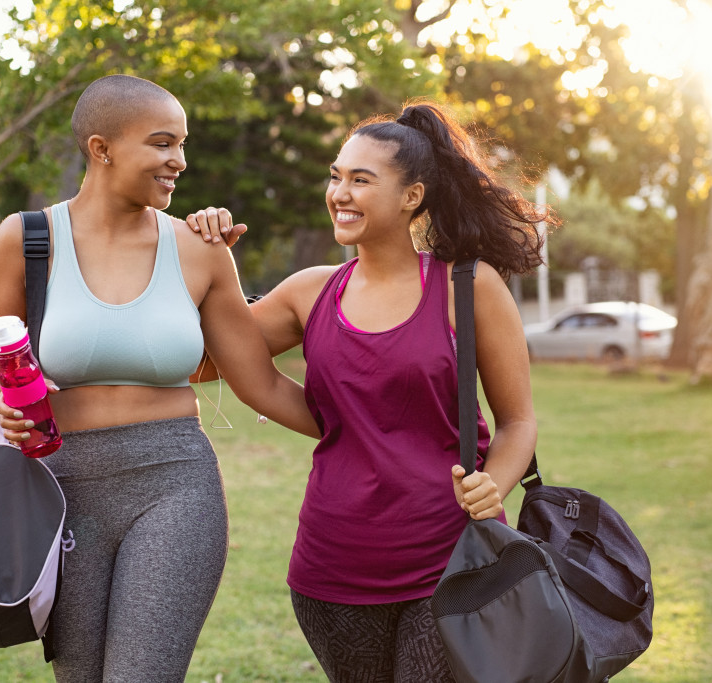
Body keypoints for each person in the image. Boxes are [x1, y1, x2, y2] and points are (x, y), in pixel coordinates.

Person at [0, 74, 319, 682]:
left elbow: (258, 382)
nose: (178, 161)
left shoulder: (200, 247)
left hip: (175, 485)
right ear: (101, 148)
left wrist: (371, 431)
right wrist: (9, 402)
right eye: (162, 144)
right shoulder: (27, 239)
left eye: (182, 145)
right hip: (61, 488)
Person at [189, 100, 553, 681]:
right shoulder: (309, 293)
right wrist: (205, 263)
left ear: (411, 196)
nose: (340, 192)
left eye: (362, 180)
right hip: (332, 567)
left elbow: (518, 423)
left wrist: (494, 483)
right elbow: (201, 363)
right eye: (336, 176)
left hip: (451, 559)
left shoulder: (469, 285)